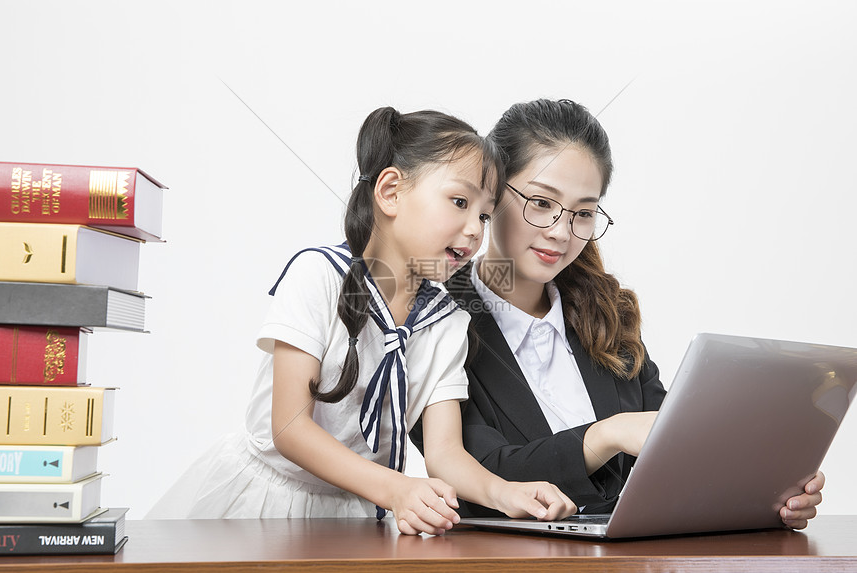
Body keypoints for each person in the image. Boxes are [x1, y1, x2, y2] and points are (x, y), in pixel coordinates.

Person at [147, 106, 575, 535]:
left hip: (355, 513)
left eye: (484, 215)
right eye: (459, 202)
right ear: (390, 192)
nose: (474, 230)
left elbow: (445, 454)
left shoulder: (447, 322)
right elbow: (290, 428)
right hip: (267, 506)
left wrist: (507, 493)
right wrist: (395, 489)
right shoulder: (318, 276)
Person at [428, 98, 824, 529]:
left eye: (583, 213)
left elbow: (677, 448)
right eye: (541, 203)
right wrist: (607, 435)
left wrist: (766, 491)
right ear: (492, 192)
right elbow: (477, 475)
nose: (561, 232)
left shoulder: (603, 314)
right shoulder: (434, 318)